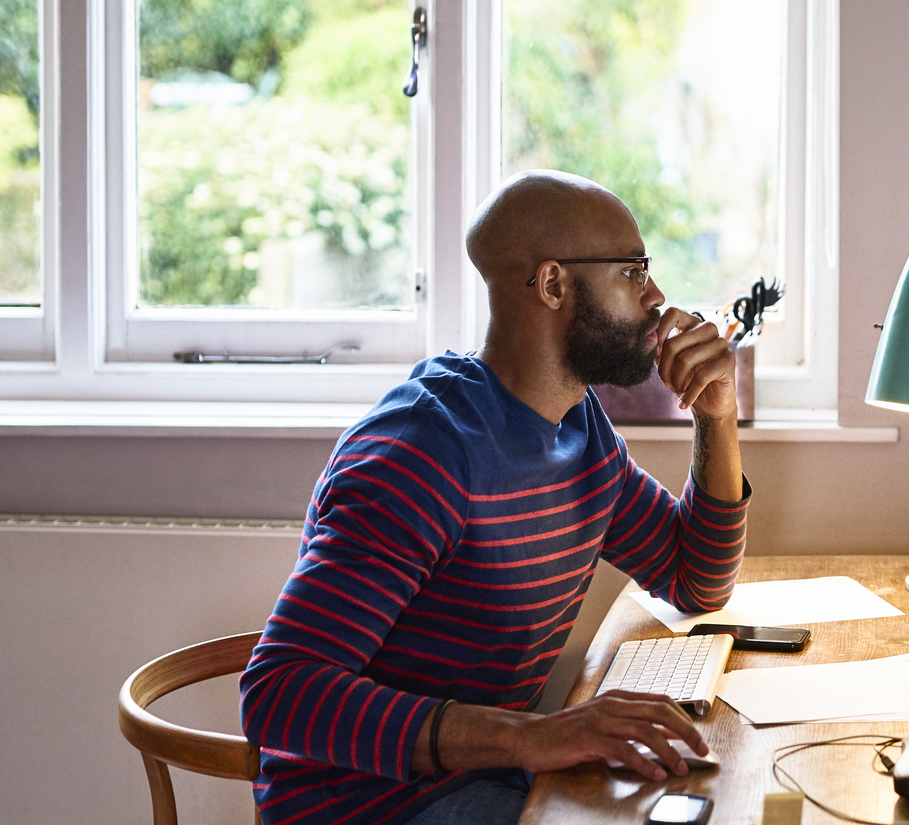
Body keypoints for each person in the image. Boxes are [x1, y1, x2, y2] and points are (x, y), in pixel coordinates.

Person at [239, 171, 749, 825]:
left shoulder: (578, 428)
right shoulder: (422, 454)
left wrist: (717, 416)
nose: (656, 298)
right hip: (374, 808)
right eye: (631, 272)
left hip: (485, 781)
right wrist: (534, 736)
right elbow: (278, 694)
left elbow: (694, 578)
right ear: (554, 284)